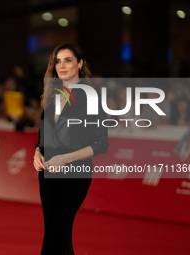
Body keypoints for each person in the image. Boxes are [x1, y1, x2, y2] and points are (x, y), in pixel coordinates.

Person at [33, 43, 109, 255]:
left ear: (80, 63)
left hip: (75, 173)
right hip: (48, 173)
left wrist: (65, 158)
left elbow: (101, 144)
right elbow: (43, 138)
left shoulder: (91, 98)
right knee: (57, 233)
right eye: (58, 61)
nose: (62, 65)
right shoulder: (51, 95)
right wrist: (37, 153)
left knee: (56, 232)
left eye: (68, 60)